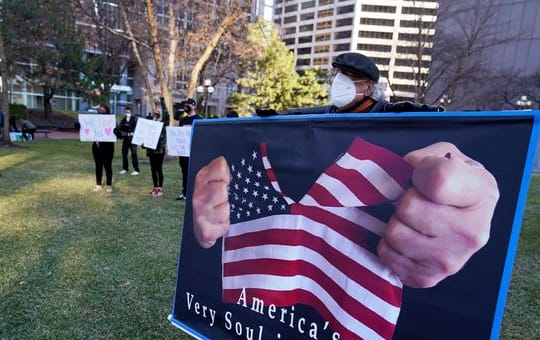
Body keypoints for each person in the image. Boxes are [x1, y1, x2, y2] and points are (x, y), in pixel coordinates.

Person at [190, 52, 499, 289]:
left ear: (370, 87)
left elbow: (426, 126)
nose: (340, 82)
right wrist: (272, 117)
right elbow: (295, 118)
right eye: (338, 74)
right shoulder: (327, 113)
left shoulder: (391, 115)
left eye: (350, 77)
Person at [174, 98, 201, 201]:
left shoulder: (199, 120)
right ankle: (185, 192)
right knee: (184, 172)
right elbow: (179, 135)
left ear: (193, 106)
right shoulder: (183, 120)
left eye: (189, 105)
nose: (187, 107)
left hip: (193, 152)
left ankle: (194, 193)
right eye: (185, 105)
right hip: (183, 151)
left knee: (193, 173)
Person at [145, 98, 169, 197]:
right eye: (155, 114)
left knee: (159, 169)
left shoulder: (162, 125)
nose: (155, 115)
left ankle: (160, 188)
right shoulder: (150, 125)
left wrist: (162, 102)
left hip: (159, 151)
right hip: (151, 151)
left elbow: (167, 116)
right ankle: (155, 187)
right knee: (153, 169)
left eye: (157, 114)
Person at [92, 104, 115, 193]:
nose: (101, 111)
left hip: (108, 148)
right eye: (100, 110)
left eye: (103, 110)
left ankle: (109, 185)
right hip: (97, 147)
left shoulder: (111, 120)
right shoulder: (94, 120)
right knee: (98, 167)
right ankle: (98, 185)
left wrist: (116, 131)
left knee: (108, 166)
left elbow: (118, 133)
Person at [118, 106, 140, 176]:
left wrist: (133, 132)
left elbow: (138, 128)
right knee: (124, 153)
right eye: (126, 112)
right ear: (125, 112)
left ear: (131, 112)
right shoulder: (123, 120)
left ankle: (136, 169)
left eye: (129, 112)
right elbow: (120, 129)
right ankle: (125, 168)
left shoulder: (134, 119)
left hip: (133, 140)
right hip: (125, 139)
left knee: (134, 154)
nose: (128, 113)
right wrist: (125, 134)